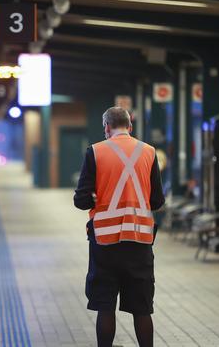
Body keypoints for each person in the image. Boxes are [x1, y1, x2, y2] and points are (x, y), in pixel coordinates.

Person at [73, 107, 165, 347]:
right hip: (140, 242)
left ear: (106, 127)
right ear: (130, 126)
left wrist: (96, 197)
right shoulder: (149, 152)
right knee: (142, 308)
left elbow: (81, 200)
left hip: (105, 242)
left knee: (105, 305)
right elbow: (157, 201)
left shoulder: (95, 151)